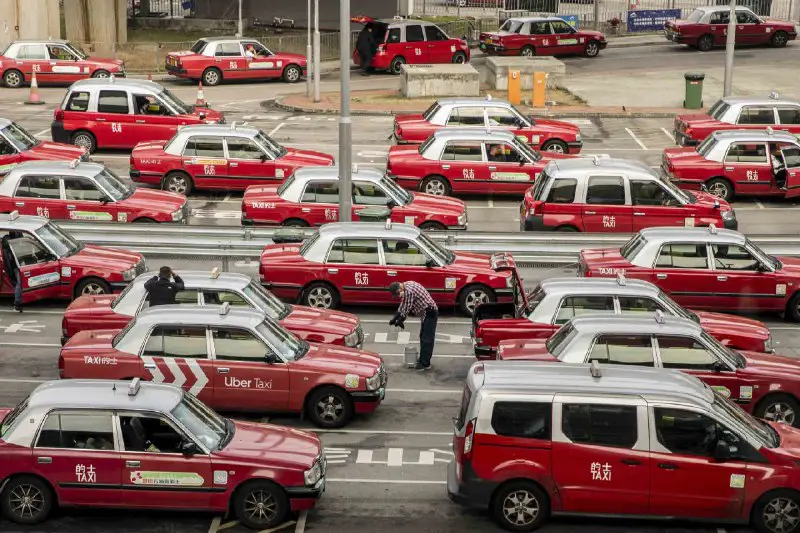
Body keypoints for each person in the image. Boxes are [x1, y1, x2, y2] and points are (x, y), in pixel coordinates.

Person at [389, 281, 438, 371]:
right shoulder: (406, 285)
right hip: (425, 314)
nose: (398, 296)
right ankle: (423, 359)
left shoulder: (409, 291)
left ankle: (425, 364)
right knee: (423, 336)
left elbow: (406, 309)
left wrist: (399, 321)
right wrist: (394, 318)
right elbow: (403, 305)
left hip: (430, 313)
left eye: (397, 294)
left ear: (399, 289)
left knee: (427, 339)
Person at [1, 231, 23, 312]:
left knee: (18, 284)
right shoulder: (17, 245)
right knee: (19, 284)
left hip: (11, 267)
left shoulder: (6, 242)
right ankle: (17, 303)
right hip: (18, 266)